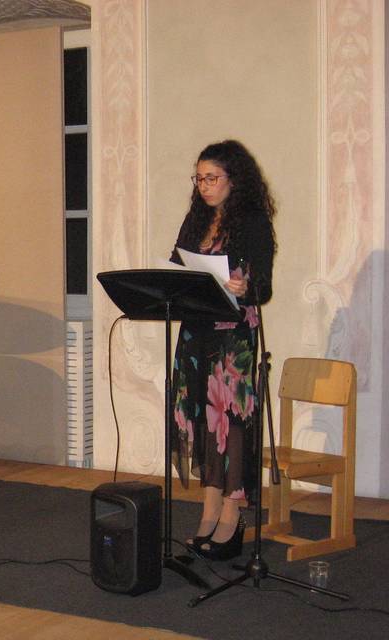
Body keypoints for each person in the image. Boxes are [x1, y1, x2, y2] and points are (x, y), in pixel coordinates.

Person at [169, 140, 276, 561]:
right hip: (197, 334)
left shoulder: (252, 221)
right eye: (198, 178)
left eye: (212, 178)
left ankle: (231, 517)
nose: (204, 186)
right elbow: (177, 265)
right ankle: (208, 511)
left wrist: (246, 287)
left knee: (229, 426)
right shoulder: (196, 220)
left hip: (233, 340)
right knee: (202, 421)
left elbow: (263, 286)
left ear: (234, 178)